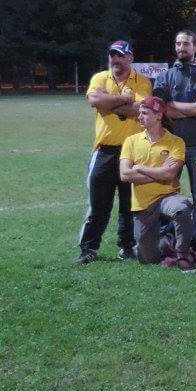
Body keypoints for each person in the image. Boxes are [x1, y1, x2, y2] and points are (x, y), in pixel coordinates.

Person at [78, 39, 153, 264]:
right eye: (113, 55)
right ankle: (88, 248)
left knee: (129, 204)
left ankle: (126, 247)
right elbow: (95, 100)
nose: (116, 59)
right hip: (104, 151)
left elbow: (140, 109)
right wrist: (124, 99)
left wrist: (109, 104)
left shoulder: (142, 80)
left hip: (133, 152)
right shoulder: (100, 78)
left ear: (130, 58)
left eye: (121, 55)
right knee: (98, 204)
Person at [153, 29, 196, 253]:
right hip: (170, 145)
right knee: (166, 193)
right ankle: (167, 238)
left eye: (186, 43)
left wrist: (174, 107)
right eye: (178, 43)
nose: (181, 47)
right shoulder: (165, 77)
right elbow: (161, 108)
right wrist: (190, 107)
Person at [118, 96, 195, 271]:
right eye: (139, 113)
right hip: (142, 203)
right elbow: (125, 175)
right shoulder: (131, 141)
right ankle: (167, 238)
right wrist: (160, 172)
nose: (139, 117)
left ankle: (183, 255)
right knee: (147, 259)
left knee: (181, 208)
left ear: (159, 116)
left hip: (167, 196)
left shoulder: (176, 142)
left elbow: (170, 174)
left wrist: (140, 168)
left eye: (144, 113)